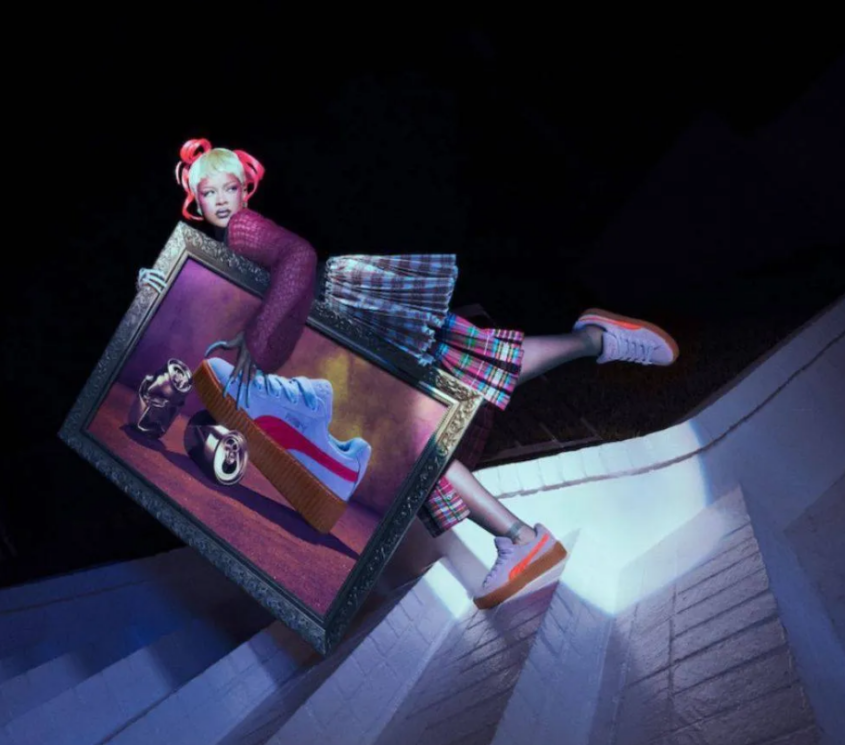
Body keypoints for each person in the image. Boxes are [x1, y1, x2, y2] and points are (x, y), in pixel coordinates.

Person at [138, 138, 680, 609]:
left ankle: (521, 535)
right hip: (343, 337)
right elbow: (249, 297)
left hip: (348, 335)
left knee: (422, 442)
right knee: (457, 394)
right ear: (195, 202)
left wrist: (256, 339)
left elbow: (299, 260)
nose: (221, 200)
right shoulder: (229, 245)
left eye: (229, 188)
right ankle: (595, 344)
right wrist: (168, 288)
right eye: (209, 194)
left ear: (245, 190)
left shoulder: (242, 231)